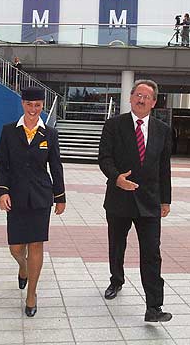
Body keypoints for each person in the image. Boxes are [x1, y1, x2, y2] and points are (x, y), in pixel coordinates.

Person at [98, 79, 172, 323]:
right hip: (120, 198)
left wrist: (165, 200)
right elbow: (104, 158)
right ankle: (116, 280)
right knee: (117, 245)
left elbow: (164, 168)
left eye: (146, 97)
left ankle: (154, 307)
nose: (141, 100)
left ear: (153, 102)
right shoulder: (113, 125)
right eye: (138, 95)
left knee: (152, 253)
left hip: (150, 202)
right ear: (130, 98)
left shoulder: (162, 129)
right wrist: (116, 178)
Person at [0, 86, 66, 317]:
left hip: (40, 197)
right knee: (16, 248)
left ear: (42, 106)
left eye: (37, 105)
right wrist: (3, 192)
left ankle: (32, 293)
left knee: (36, 245)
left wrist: (60, 196)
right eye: (29, 105)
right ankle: (23, 268)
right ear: (22, 104)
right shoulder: (8, 131)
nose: (33, 110)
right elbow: (0, 164)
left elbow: (56, 166)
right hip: (15, 197)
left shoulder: (50, 134)